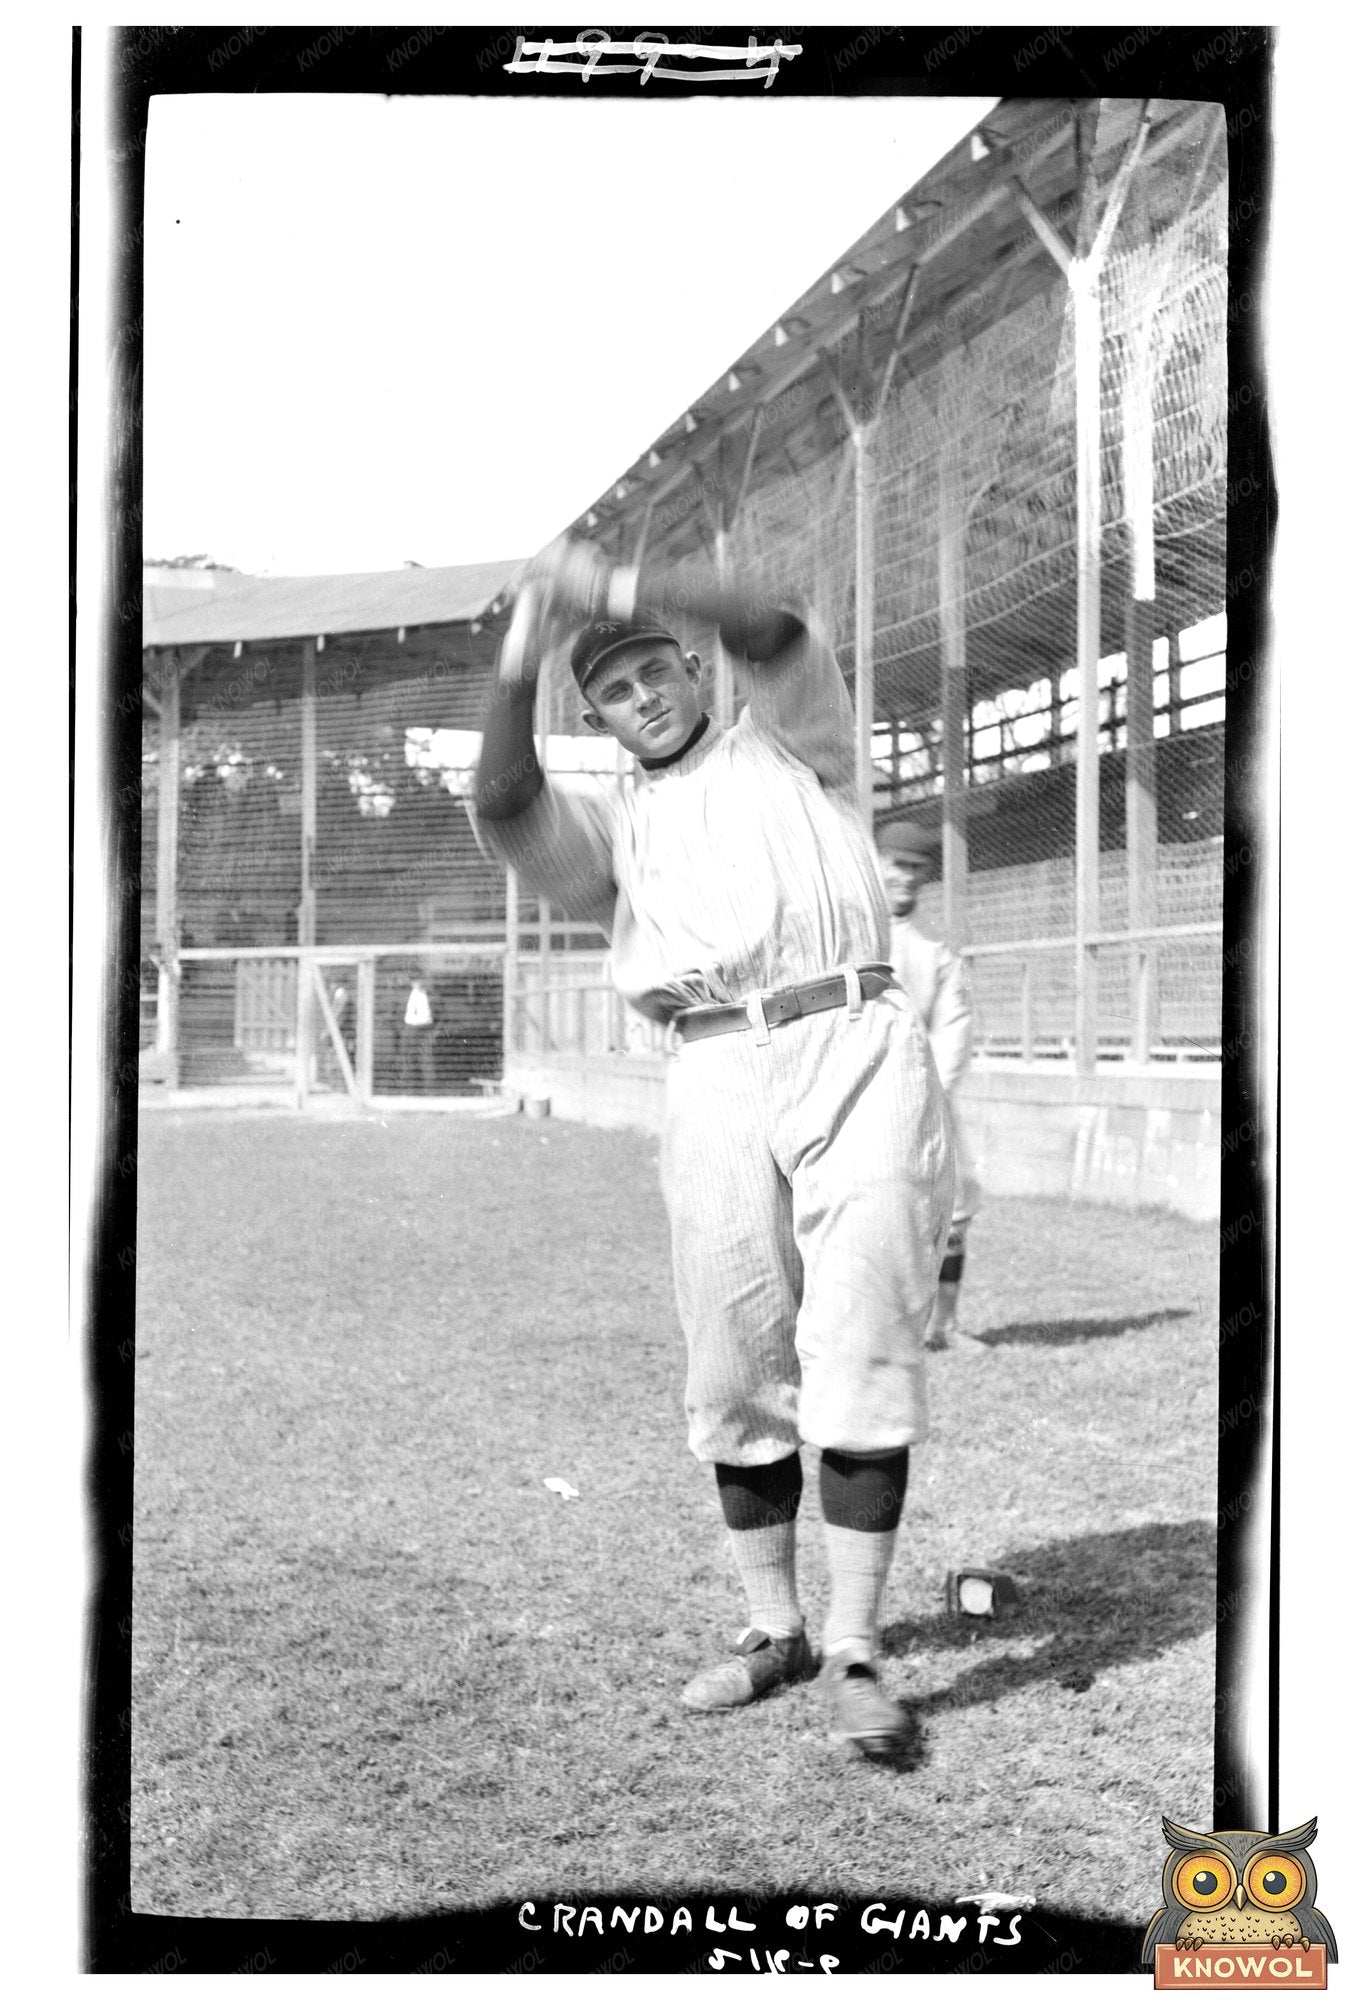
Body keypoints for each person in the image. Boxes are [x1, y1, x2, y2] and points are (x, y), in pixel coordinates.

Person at [472, 539, 954, 1761]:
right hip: (711, 1064)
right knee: (733, 1356)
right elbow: (500, 802)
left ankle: (853, 1646)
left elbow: (779, 628)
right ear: (598, 719)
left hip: (850, 1036)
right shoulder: (612, 830)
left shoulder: (791, 740)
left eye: (655, 671)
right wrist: (517, 663)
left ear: (692, 669)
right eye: (615, 692)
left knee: (858, 1335)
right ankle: (772, 1628)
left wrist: (618, 590)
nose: (643, 696)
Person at [875, 822, 985, 1352]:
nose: (906, 877)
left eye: (916, 868)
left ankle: (944, 1327)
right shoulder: (845, 933)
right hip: (853, 1096)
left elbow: (953, 1029)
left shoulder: (935, 947)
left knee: (955, 1203)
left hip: (923, 1096)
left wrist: (926, 1096)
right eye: (895, 863)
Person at [400, 976, 435, 1094]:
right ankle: (409, 1090)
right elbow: (398, 1012)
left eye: (420, 980)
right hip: (409, 1030)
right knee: (408, 1060)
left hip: (425, 1030)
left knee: (425, 1060)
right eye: (415, 981)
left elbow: (440, 1014)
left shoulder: (431, 995)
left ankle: (428, 1090)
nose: (417, 983)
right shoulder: (406, 994)